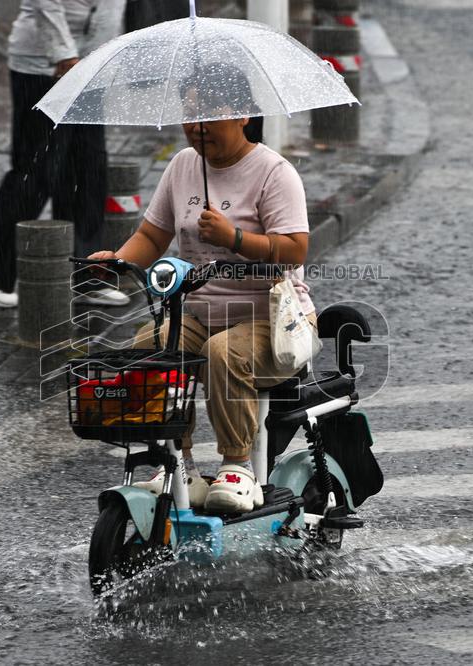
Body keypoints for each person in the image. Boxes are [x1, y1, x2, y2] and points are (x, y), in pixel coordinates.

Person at [88, 65, 315, 514]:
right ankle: (180, 464)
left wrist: (234, 238)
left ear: (244, 115)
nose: (197, 125)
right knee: (148, 348)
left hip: (273, 323)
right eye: (190, 113)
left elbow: (294, 250)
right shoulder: (183, 165)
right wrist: (117, 262)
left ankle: (238, 466)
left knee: (222, 353)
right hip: (199, 314)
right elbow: (152, 236)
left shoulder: (274, 172)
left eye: (210, 113)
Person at [0, 0, 130, 308]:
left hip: (92, 66)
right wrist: (63, 53)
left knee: (88, 169)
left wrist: (106, 57)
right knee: (36, 171)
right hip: (43, 63)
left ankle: (86, 274)